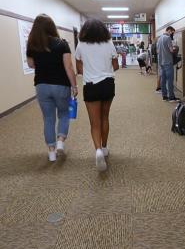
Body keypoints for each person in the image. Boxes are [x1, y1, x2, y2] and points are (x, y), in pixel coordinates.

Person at [26, 14, 78, 161]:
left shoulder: (32, 45)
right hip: (61, 85)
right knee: (63, 114)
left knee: (48, 118)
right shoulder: (62, 44)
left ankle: (51, 152)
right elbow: (68, 67)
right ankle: (61, 141)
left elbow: (31, 65)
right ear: (51, 27)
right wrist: (74, 86)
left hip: (41, 85)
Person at [75, 18, 119, 171]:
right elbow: (116, 66)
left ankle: (98, 150)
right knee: (105, 117)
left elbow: (79, 69)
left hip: (91, 86)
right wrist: (105, 68)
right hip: (107, 84)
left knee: (94, 123)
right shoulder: (109, 43)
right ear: (103, 30)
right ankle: (105, 148)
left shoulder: (80, 45)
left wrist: (90, 69)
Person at [157, 26, 179, 102]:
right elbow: (171, 50)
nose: (172, 34)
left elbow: (157, 51)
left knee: (163, 80)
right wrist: (175, 48)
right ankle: (171, 97)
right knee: (170, 80)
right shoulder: (168, 38)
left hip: (161, 63)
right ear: (169, 31)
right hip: (168, 62)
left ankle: (164, 96)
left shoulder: (159, 38)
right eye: (172, 32)